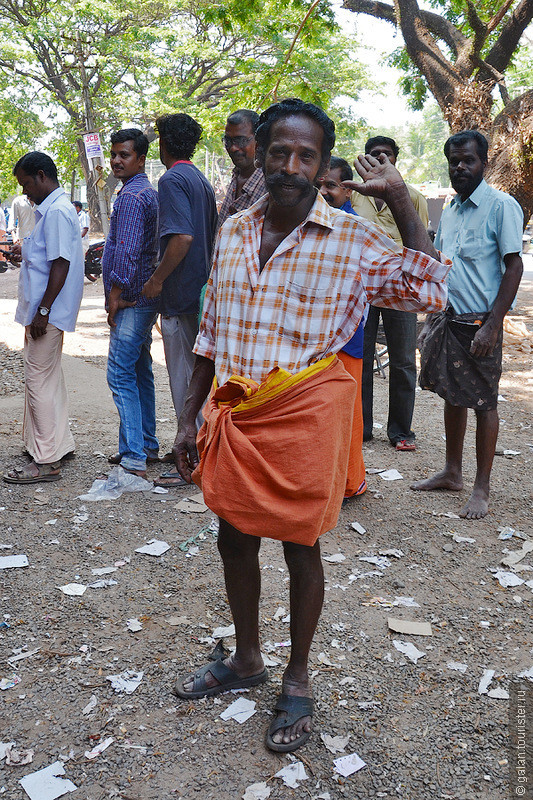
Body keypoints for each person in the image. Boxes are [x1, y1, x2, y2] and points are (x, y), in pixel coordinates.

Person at [169, 98, 450, 753]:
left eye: (306, 156)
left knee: (301, 549)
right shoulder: (236, 231)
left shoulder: (350, 239)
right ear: (260, 157)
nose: (292, 166)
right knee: (232, 539)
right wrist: (188, 417)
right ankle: (245, 660)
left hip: (302, 422)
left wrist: (403, 202)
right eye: (279, 153)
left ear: (323, 164)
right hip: (235, 420)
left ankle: (295, 679)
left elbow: (429, 291)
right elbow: (211, 336)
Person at [411, 130, 523, 520]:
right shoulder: (452, 210)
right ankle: (452, 472)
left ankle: (481, 488)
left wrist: (494, 325)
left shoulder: (500, 206)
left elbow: (514, 266)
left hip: (480, 324)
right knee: (452, 395)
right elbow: (441, 269)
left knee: (484, 403)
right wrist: (430, 319)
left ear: (483, 162)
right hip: (449, 319)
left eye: (468, 160)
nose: (459, 167)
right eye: (453, 161)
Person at [142, 113, 218, 488]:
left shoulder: (172, 178)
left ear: (164, 143)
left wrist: (157, 280)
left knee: (184, 381)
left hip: (182, 294)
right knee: (198, 378)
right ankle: (204, 456)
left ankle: (193, 460)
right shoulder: (200, 179)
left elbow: (182, 238)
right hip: (200, 291)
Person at [3, 152, 84, 484]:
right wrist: (27, 251)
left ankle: (47, 461)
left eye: (25, 184)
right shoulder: (52, 211)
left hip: (46, 313)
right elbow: (49, 255)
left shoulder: (59, 212)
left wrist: (44, 310)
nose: (25, 192)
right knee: (47, 378)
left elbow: (61, 264)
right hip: (42, 311)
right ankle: (54, 445)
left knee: (38, 380)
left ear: (41, 176)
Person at [353, 135, 429, 451]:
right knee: (361, 356)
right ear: (365, 160)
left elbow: (419, 244)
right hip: (362, 289)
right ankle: (362, 427)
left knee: (403, 361)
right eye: (374, 155)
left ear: (395, 159)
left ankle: (401, 431)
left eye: (386, 155)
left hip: (400, 288)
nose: (381, 159)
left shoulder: (412, 197)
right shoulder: (354, 196)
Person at [102, 129, 160, 478]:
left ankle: (134, 457)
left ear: (140, 159)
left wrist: (114, 296)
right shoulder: (144, 193)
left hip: (131, 299)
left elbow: (125, 250)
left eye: (124, 155)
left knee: (120, 373)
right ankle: (145, 445)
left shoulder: (133, 198)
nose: (116, 161)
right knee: (140, 370)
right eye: (114, 154)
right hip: (142, 296)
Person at [319, 156, 366, 498]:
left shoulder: (354, 229)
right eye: (318, 185)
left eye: (331, 186)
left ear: (347, 190)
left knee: (347, 414)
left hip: (346, 339)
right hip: (319, 339)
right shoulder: (316, 223)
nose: (323, 192)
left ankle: (349, 483)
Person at [217, 109, 266, 233]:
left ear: (259, 141)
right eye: (228, 141)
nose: (233, 148)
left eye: (241, 141)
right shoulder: (236, 176)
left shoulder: (269, 186)